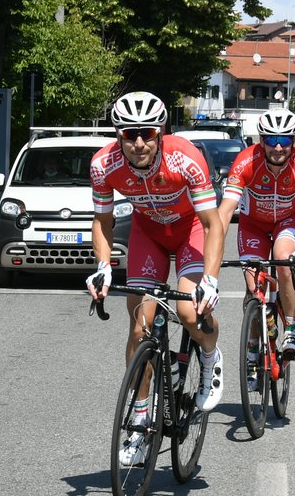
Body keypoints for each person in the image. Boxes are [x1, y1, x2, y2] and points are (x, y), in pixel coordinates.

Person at [85, 91, 226, 467]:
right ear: (118, 135)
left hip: (191, 229)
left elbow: (214, 224)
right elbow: (102, 221)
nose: (139, 143)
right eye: (129, 135)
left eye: (147, 133)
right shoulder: (104, 164)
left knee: (188, 310)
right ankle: (140, 419)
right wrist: (102, 266)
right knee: (139, 327)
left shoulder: (185, 157)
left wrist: (210, 279)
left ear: (160, 130)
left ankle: (210, 357)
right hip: (148, 235)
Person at [216, 107, 295, 365]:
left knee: (284, 260)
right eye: (271, 140)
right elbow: (225, 210)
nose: (278, 147)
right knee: (253, 287)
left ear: (294, 141)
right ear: (261, 141)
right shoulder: (245, 162)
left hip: (288, 221)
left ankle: (292, 330)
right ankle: (253, 343)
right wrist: (212, 248)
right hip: (253, 224)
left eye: (285, 140)